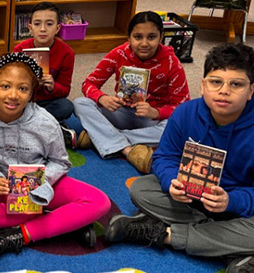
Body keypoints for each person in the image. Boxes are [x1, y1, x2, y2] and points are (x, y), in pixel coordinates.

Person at [105, 43, 254, 273]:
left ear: (250, 90)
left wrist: (231, 201)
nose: (224, 91)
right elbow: (164, 157)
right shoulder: (185, 113)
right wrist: (172, 181)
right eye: (216, 82)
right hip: (191, 200)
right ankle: (239, 251)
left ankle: (162, 234)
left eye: (236, 84)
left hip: (238, 206)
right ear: (203, 85)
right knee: (141, 189)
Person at [0, 52, 111, 266]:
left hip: (40, 185)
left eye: (22, 89)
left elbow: (61, 162)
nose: (13, 95)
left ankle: (20, 234)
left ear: (32, 92)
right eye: (5, 86)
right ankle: (63, 222)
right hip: (3, 186)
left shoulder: (45, 122)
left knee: (99, 202)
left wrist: (41, 184)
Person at [73, 11, 190, 174]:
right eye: (138, 37)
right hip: (121, 111)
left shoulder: (172, 63)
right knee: (80, 103)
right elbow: (88, 83)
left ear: (161, 37)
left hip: (151, 120)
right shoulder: (118, 54)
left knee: (182, 127)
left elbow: (183, 106)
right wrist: (102, 98)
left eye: (151, 37)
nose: (144, 43)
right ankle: (125, 146)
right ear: (128, 37)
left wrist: (156, 112)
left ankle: (99, 137)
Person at [13, 1, 77, 144]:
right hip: (25, 101)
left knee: (66, 106)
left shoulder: (67, 53)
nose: (42, 29)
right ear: (30, 27)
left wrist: (52, 86)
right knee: (1, 105)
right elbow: (11, 82)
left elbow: (65, 90)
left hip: (49, 102)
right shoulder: (19, 50)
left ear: (57, 28)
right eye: (37, 24)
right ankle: (50, 129)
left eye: (49, 24)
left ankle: (26, 128)